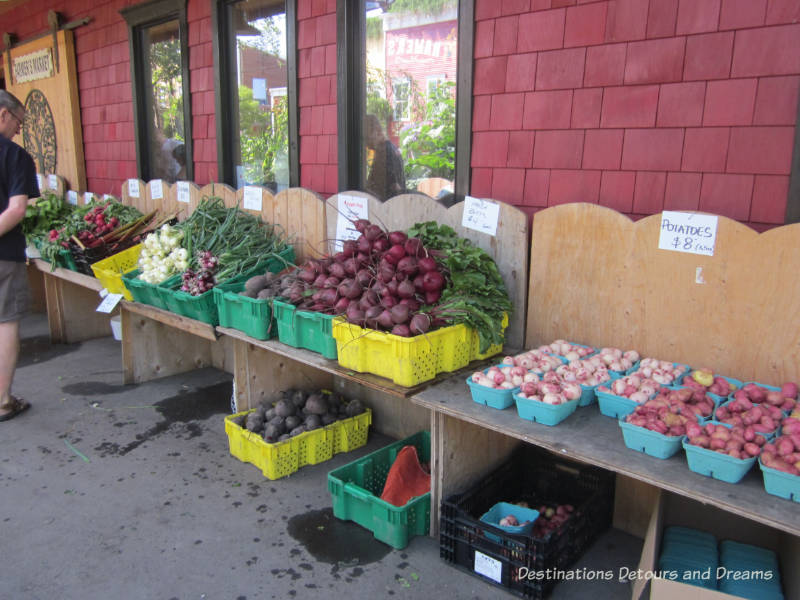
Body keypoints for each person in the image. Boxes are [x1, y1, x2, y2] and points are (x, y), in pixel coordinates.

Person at [0, 90, 39, 421]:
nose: (18, 129)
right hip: (4, 253)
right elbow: (17, 210)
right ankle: (2, 401)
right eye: (18, 122)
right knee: (6, 322)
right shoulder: (14, 155)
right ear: (3, 115)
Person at [364, 114, 405, 201]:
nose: (366, 143)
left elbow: (394, 187)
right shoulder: (389, 148)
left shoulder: (384, 152)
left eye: (366, 137)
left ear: (377, 132)